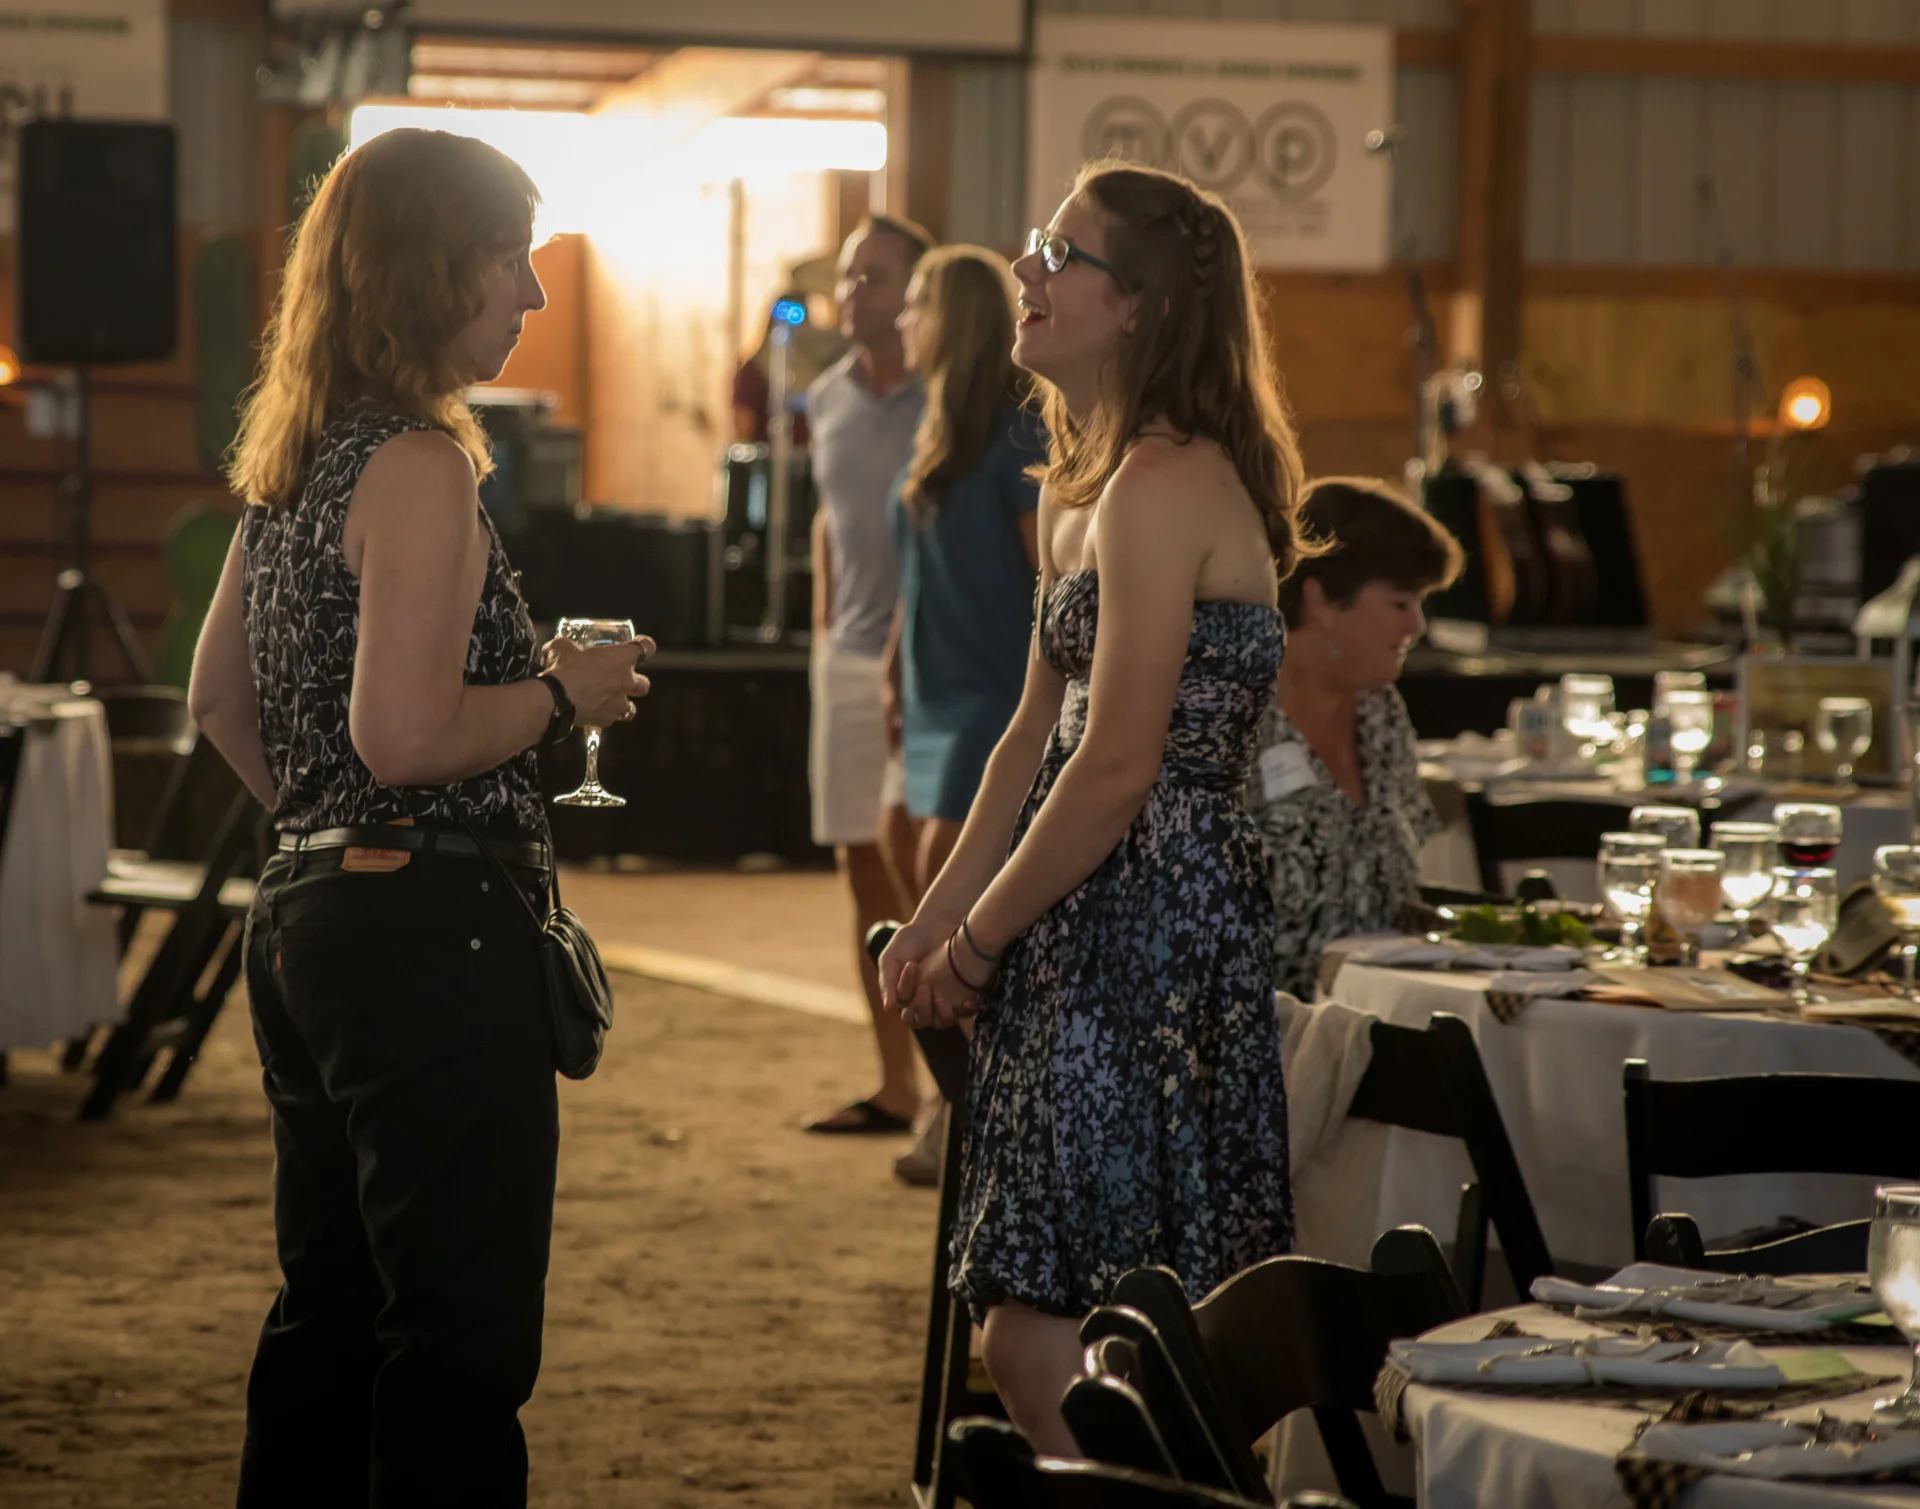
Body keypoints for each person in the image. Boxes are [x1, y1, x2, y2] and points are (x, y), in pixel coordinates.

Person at [186, 128, 647, 1508]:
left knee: (327, 1318)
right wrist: (560, 695)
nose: (534, 295)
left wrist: (330, 843)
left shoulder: (296, 458)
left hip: (307, 924)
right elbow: (405, 736)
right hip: (433, 940)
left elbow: (218, 702)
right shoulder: (420, 465)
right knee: (457, 1340)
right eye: (510, 258)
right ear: (430, 268)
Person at [879, 163, 1309, 1455]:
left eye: (1059, 254)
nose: (1024, 269)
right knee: (1042, 1320)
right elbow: (1028, 739)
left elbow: (1118, 766)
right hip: (1076, 918)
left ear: (1140, 305)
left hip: (1153, 934)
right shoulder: (1081, 483)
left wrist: (977, 943)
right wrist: (934, 914)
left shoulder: (1167, 482)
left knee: (1086, 1330)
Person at [881, 245, 1043, 1185]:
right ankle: (956, 1096)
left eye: (917, 304)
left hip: (996, 693)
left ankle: (957, 1110)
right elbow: (915, 569)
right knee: (913, 867)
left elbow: (1049, 583)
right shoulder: (935, 422)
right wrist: (896, 675)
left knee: (946, 888)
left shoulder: (1018, 432)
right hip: (934, 685)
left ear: (954, 318)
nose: (904, 319)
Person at [803, 213, 934, 1137]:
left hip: (935, 665)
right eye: (849, 276)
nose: (853, 293)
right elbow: (829, 521)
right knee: (862, 867)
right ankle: (896, 1087)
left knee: (932, 867)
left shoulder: (953, 395)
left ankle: (955, 1094)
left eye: (874, 277)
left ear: (916, 291)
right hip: (847, 660)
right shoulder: (826, 396)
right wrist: (826, 634)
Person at [1246, 477, 1464, 999]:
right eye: (1400, 603)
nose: (1416, 626)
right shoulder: (1238, 721)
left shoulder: (1380, 711)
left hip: (1384, 1014)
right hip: (1268, 1026)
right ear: (1322, 600)